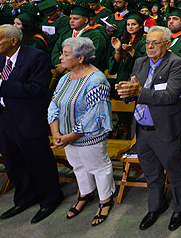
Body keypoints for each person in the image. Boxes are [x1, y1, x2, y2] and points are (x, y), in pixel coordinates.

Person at [0, 25, 64, 223]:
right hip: (2, 117)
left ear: (13, 41)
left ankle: (50, 198)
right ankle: (24, 197)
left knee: (39, 161)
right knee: (14, 163)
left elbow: (36, 89)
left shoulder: (36, 57)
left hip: (28, 117)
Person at [115, 26, 181, 231]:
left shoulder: (176, 63)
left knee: (174, 171)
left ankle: (180, 207)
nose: (149, 47)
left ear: (167, 44)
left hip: (164, 128)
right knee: (151, 173)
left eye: (155, 43)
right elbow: (134, 93)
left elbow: (170, 96)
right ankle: (155, 206)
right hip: (141, 129)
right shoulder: (140, 62)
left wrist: (139, 91)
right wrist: (126, 92)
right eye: (147, 43)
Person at [47, 37, 114, 226]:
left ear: (81, 58)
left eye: (66, 54)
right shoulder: (65, 77)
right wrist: (56, 134)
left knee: (98, 168)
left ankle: (105, 200)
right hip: (66, 137)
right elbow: (54, 105)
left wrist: (69, 136)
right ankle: (85, 194)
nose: (61, 57)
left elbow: (93, 114)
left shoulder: (96, 79)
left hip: (89, 136)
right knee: (78, 167)